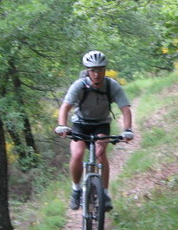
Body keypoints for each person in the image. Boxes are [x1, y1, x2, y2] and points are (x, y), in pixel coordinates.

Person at [54, 51, 134, 211]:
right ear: (87, 71)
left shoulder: (112, 86)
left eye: (100, 70)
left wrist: (127, 130)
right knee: (77, 154)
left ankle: (104, 194)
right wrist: (62, 125)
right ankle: (76, 189)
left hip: (101, 124)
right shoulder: (79, 85)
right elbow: (65, 107)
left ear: (105, 69)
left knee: (100, 153)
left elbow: (125, 109)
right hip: (81, 124)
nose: (97, 74)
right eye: (93, 70)